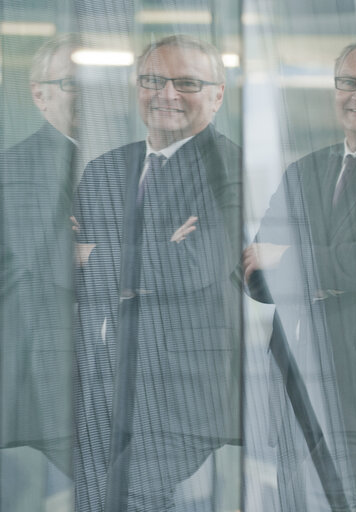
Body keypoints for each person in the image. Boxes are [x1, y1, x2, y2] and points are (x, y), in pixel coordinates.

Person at [73, 34, 241, 511]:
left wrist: (94, 254)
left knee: (135, 500)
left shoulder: (228, 167)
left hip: (178, 390)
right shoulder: (106, 168)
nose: (167, 94)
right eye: (153, 80)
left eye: (186, 82)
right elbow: (63, 267)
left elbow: (193, 265)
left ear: (217, 94)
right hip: (98, 382)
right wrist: (148, 254)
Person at [242, 36, 356, 511]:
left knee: (329, 492)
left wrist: (288, 258)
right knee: (296, 498)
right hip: (293, 369)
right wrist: (337, 262)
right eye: (348, 82)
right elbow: (252, 273)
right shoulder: (303, 171)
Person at [0, 33, 81, 479]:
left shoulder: (119, 160)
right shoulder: (21, 167)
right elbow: (59, 262)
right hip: (50, 382)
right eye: (73, 82)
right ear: (39, 94)